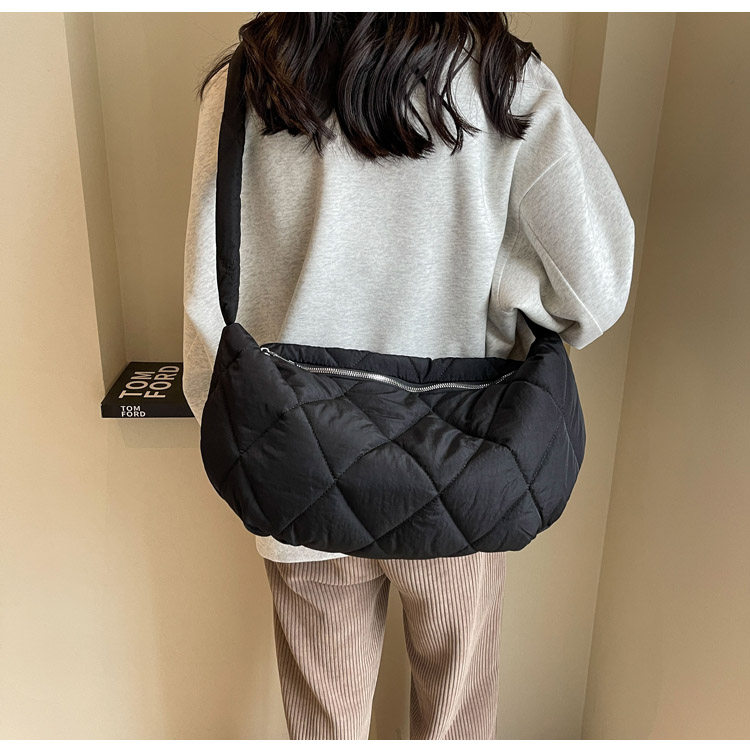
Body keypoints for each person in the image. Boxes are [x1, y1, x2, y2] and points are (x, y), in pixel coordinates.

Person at [182, 12, 634, 741]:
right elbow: (596, 286)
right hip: (466, 464)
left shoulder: (248, 81)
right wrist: (508, 292)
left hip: (298, 466)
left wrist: (236, 431)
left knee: (323, 726)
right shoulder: (504, 81)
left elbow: (209, 301)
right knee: (456, 723)